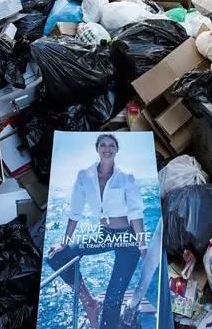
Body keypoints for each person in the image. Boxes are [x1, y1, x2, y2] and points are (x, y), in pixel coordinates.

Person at [48, 134, 147, 329]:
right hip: (104, 235)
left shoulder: (126, 176)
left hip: (128, 239)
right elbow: (74, 212)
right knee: (54, 257)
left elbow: (136, 212)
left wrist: (142, 244)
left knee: (112, 299)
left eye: (112, 145)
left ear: (117, 150)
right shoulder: (84, 176)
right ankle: (89, 302)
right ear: (97, 149)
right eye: (103, 145)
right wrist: (64, 242)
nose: (107, 148)